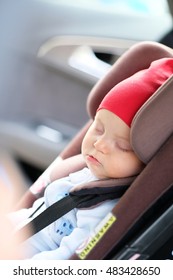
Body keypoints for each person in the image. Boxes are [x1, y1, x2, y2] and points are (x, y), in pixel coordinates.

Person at [10, 57, 173, 260]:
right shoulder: (89, 171)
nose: (99, 144)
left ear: (145, 165)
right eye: (99, 128)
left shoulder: (103, 208)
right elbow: (34, 214)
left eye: (122, 146)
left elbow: (65, 259)